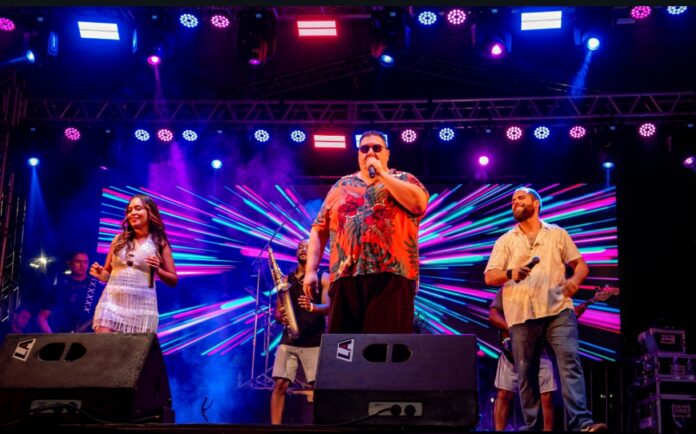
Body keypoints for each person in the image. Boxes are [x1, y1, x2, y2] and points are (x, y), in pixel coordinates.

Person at [484, 187, 607, 432]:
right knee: (527, 375)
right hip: (521, 315)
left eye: (520, 198)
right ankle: (532, 427)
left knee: (569, 363)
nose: (515, 202)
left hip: (558, 311)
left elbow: (581, 265)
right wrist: (511, 272)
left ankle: (582, 423)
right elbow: (489, 276)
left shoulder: (557, 233)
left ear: (536, 203)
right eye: (512, 200)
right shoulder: (505, 240)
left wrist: (574, 281)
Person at [303, 130, 429, 333]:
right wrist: (310, 271)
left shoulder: (404, 179)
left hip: (392, 276)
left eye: (377, 148)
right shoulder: (341, 185)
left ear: (387, 154)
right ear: (358, 155)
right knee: (344, 345)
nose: (370, 152)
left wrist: (382, 175)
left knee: (385, 345)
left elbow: (418, 204)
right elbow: (319, 228)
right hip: (345, 275)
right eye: (364, 149)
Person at [89, 194, 178, 333]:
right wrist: (101, 273)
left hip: (141, 308)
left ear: (150, 212)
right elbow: (107, 274)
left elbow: (173, 280)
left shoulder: (159, 242)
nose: (133, 213)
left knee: (132, 347)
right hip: (111, 304)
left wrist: (158, 270)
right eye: (130, 210)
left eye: (138, 208)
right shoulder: (118, 240)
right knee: (104, 344)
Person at [270, 239, 330, 425]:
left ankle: (321, 427)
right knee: (280, 384)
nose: (303, 249)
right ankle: (274, 429)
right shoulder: (286, 280)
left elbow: (329, 307)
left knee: (318, 388)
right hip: (289, 340)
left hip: (314, 339)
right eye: (300, 247)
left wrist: (312, 307)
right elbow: (277, 312)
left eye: (308, 247)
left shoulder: (323, 277)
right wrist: (280, 316)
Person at [490, 287, 557, 431]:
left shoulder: (545, 289)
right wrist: (513, 330)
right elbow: (493, 315)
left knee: (547, 396)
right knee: (504, 394)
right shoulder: (507, 288)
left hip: (539, 351)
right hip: (512, 353)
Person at [37, 251, 103, 333]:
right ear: (70, 263)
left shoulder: (96, 286)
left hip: (88, 336)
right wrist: (51, 337)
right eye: (78, 261)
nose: (82, 265)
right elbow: (42, 317)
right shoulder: (59, 287)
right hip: (62, 335)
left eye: (85, 262)